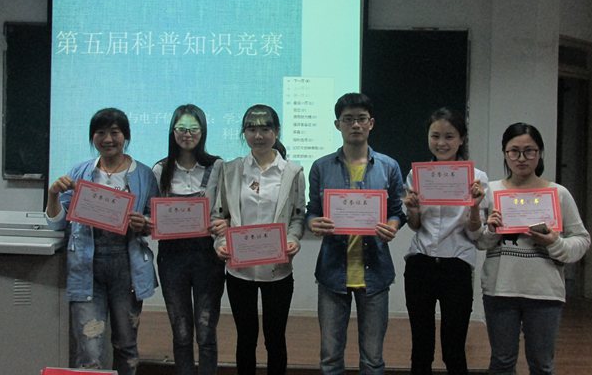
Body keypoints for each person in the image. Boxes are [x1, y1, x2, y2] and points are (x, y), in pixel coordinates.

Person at [45, 108, 159, 375]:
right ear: (92, 137)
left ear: (125, 136)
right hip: (87, 268)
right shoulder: (80, 172)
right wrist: (52, 195)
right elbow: (58, 223)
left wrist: (143, 223)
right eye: (101, 133)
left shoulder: (144, 174)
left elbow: (156, 220)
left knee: (126, 346)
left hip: (127, 268)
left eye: (115, 132)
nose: (108, 139)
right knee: (89, 349)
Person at [477, 122, 591, 375]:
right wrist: (491, 229)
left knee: (541, 365)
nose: (521, 158)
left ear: (540, 153)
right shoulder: (491, 191)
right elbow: (479, 242)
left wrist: (555, 243)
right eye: (514, 151)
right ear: (504, 153)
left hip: (544, 292)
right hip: (500, 289)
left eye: (529, 151)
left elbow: (582, 240)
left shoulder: (558, 193)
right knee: (501, 362)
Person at [306, 92, 406, 375]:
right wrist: (313, 223)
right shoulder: (321, 167)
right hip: (332, 271)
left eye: (361, 119)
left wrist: (393, 225)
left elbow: (397, 211)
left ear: (371, 123)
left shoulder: (389, 166)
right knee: (330, 358)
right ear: (337, 124)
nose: (355, 125)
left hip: (375, 271)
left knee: (372, 359)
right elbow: (312, 210)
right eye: (348, 119)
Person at [212, 104, 306, 375]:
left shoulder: (292, 172)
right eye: (251, 129)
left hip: (277, 269)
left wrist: (293, 238)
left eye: (265, 129)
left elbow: (298, 216)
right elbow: (219, 216)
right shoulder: (231, 169)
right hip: (239, 268)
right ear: (244, 133)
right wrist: (221, 243)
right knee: (245, 337)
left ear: (276, 132)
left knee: (275, 338)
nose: (258, 135)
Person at [402, 107, 488, 375]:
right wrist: (413, 210)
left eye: (449, 136)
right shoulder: (416, 175)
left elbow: (475, 234)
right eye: (435, 136)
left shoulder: (477, 179)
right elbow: (415, 226)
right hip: (420, 263)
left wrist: (475, 206)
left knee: (454, 347)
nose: (441, 143)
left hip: (457, 265)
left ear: (461, 139)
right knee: (421, 346)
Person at [152, 104, 226, 375]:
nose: (187, 134)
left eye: (194, 128)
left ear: (202, 131)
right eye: (181, 128)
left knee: (206, 331)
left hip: (207, 256)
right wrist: (149, 222)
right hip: (171, 257)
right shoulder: (160, 169)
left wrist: (225, 224)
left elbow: (226, 209)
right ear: (173, 131)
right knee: (181, 331)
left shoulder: (216, 166)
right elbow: (152, 212)